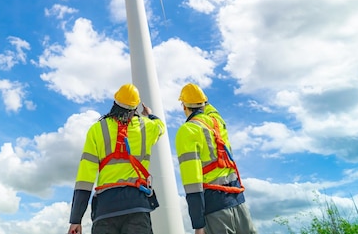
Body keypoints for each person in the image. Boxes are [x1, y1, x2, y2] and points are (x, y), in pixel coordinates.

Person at [68, 83, 165, 234]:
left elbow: (84, 178)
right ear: (135, 107)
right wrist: (150, 114)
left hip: (106, 208)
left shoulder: (97, 129)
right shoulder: (148, 127)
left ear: (115, 103)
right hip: (136, 206)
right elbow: (161, 126)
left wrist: (76, 219)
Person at [175, 83, 256, 234]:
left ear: (183, 106)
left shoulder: (188, 130)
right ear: (204, 104)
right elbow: (212, 110)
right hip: (239, 203)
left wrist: (198, 223)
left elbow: (192, 182)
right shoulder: (218, 122)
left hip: (215, 209)